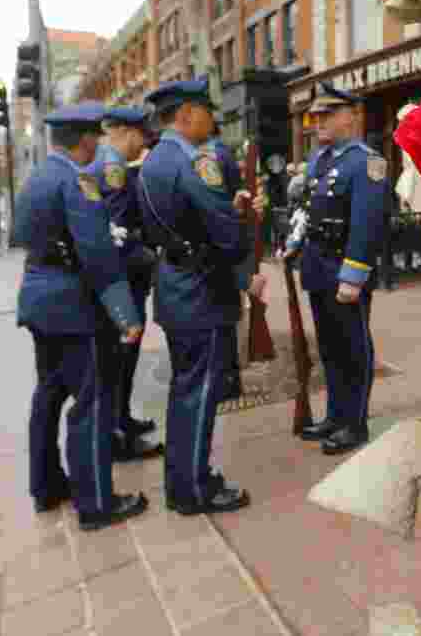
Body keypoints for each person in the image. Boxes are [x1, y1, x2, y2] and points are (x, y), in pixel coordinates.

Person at [13, 102, 149, 532]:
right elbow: (98, 256)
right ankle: (95, 503)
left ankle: (46, 486)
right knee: (91, 403)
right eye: (97, 137)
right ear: (87, 139)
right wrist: (126, 316)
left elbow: (21, 237)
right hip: (74, 306)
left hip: (38, 296)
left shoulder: (36, 178)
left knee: (48, 395)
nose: (99, 144)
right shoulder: (78, 183)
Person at [137, 77, 264, 515]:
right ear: (186, 114)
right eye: (206, 111)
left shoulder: (154, 161)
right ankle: (193, 488)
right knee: (200, 394)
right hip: (202, 291)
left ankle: (184, 480)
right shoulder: (195, 163)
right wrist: (246, 266)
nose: (213, 119)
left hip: (176, 284)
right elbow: (222, 231)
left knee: (186, 392)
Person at [288, 82, 391, 455]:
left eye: (328, 115)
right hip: (317, 267)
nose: (319, 123)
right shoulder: (321, 160)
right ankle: (335, 415)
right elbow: (310, 212)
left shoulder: (367, 162)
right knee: (330, 348)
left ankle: (355, 423)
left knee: (353, 347)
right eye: (316, 116)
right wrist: (294, 244)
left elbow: (367, 225)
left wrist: (353, 276)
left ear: (351, 116)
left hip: (344, 269)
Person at [85, 106, 165, 462]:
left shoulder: (104, 163)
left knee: (123, 360)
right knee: (120, 360)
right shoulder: (114, 169)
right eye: (142, 139)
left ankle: (122, 420)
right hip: (122, 285)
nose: (142, 146)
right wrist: (149, 257)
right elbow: (116, 237)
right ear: (129, 134)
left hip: (119, 284)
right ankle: (118, 435)